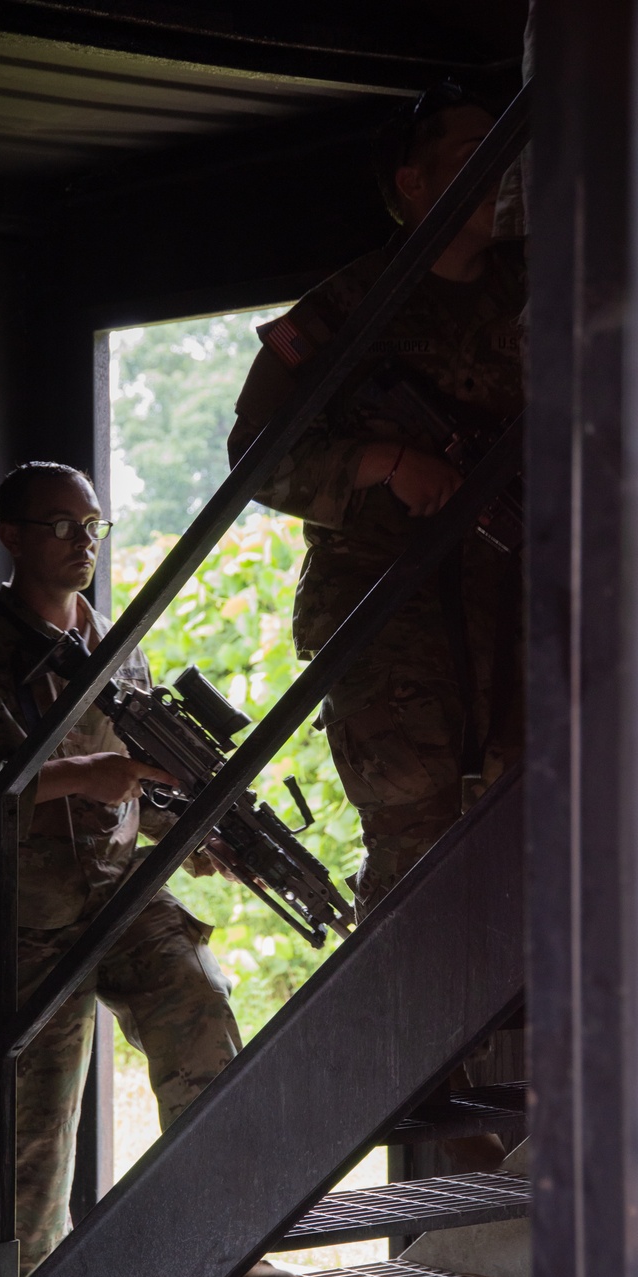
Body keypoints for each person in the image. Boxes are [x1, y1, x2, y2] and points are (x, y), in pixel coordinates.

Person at [0, 460, 298, 1277]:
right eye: (60, 525)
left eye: (91, 526)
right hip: (26, 909)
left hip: (121, 889)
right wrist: (87, 773)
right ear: (12, 535)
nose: (82, 541)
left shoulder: (117, 647)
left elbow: (142, 785)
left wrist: (186, 831)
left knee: (200, 1005)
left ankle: (222, 1244)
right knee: (38, 1122)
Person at [228, 82, 525, 923]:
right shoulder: (345, 311)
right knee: (419, 852)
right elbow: (253, 460)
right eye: (476, 158)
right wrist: (384, 461)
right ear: (414, 184)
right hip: (394, 617)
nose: (503, 173)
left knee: (530, 840)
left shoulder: (543, 288)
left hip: (521, 604)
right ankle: (415, 1046)